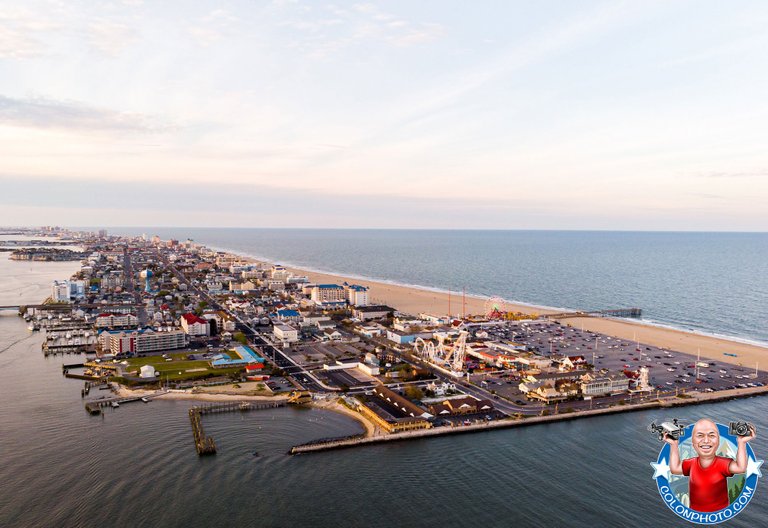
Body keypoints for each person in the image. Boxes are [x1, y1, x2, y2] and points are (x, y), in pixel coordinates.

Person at [666, 419, 756, 512]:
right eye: (700, 435)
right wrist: (674, 444)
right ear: (692, 441)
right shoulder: (691, 463)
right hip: (696, 515)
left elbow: (740, 468)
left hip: (720, 514)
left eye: (712, 435)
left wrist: (741, 443)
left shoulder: (723, 464)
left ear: (718, 440)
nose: (706, 440)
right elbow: (675, 469)